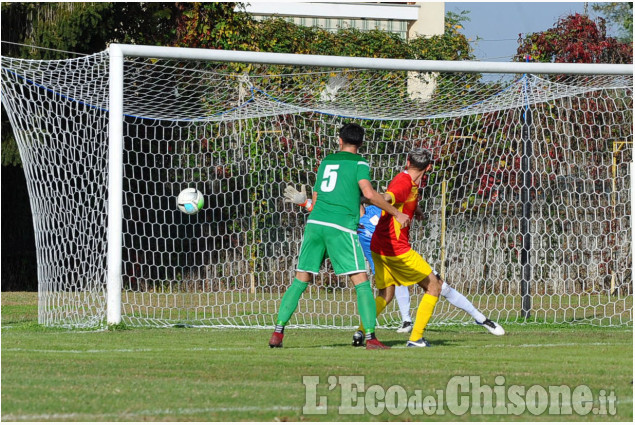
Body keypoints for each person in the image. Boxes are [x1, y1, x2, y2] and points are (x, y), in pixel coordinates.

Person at [268, 123, 410, 350]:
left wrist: (305, 203)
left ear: (339, 140)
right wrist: (397, 213)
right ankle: (371, 338)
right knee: (361, 283)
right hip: (340, 228)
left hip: (315, 226)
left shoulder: (326, 162)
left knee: (300, 280)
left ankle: (277, 332)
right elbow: (368, 193)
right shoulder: (360, 163)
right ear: (361, 143)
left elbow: (317, 201)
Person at [354, 147, 505, 348]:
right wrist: (369, 198)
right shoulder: (403, 182)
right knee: (435, 285)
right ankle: (416, 338)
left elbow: (404, 198)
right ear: (430, 167)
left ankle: (360, 332)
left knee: (386, 293)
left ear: (407, 162)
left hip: (378, 246)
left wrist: (415, 210)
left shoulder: (409, 181)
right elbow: (389, 197)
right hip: (396, 249)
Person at [358, 204, 413, 333]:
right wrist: (306, 203)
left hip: (396, 254)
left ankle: (406, 321)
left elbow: (390, 207)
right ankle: (363, 329)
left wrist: (395, 199)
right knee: (387, 295)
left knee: (436, 284)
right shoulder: (352, 221)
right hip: (378, 264)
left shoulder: (375, 209)